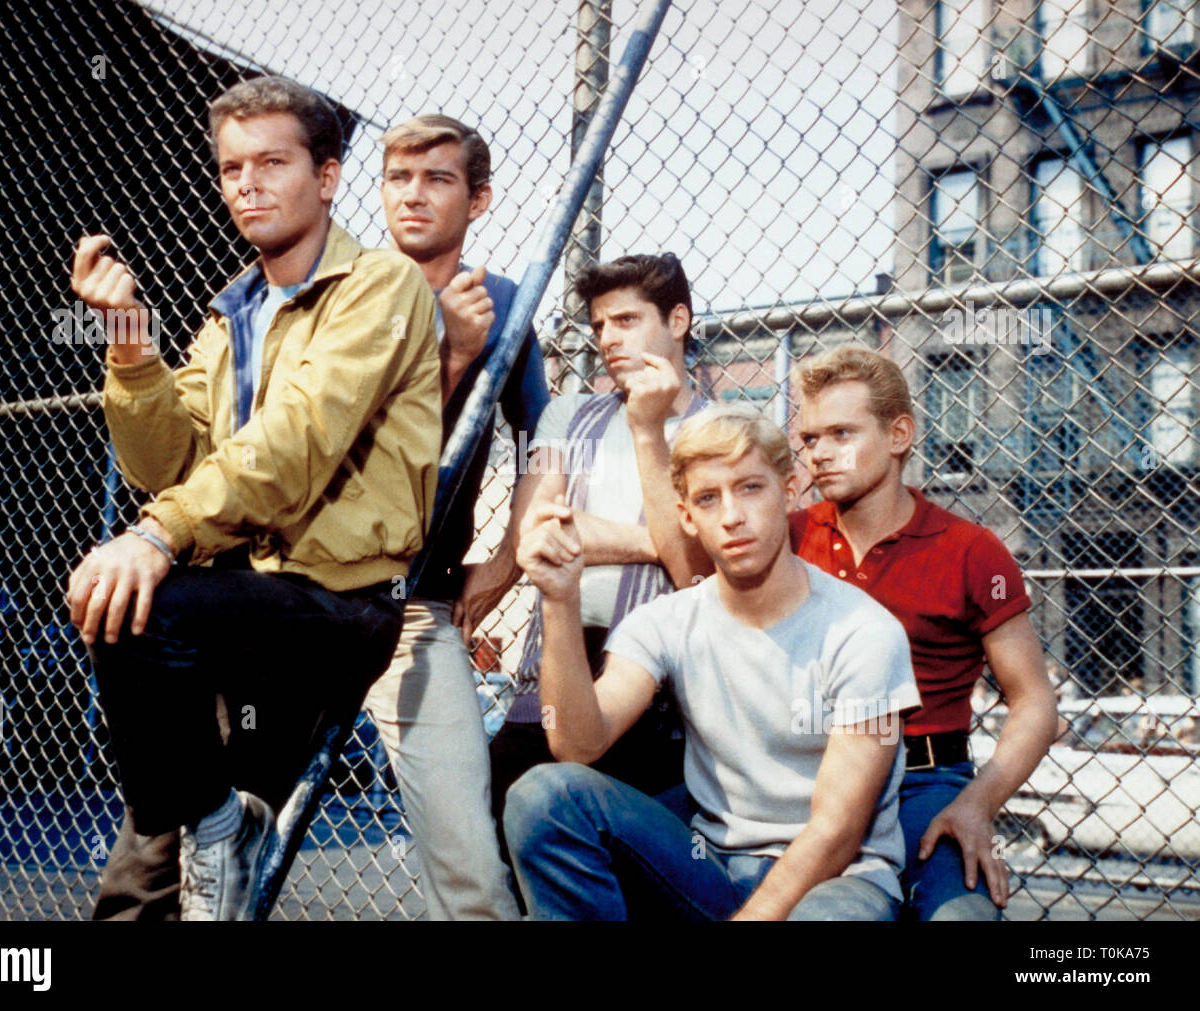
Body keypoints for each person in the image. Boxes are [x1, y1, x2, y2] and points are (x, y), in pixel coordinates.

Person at [70, 76, 441, 921]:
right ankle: (213, 829)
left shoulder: (380, 285)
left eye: (273, 162)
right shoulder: (232, 309)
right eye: (233, 167)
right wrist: (129, 342)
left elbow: (297, 444)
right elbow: (164, 461)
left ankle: (215, 829)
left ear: (329, 176)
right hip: (239, 603)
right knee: (149, 873)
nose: (248, 183)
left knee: (149, 601)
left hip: (337, 606)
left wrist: (158, 535)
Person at [503, 405, 919, 920]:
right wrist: (559, 601)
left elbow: (837, 833)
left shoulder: (865, 631)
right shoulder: (666, 621)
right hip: (711, 866)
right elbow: (577, 743)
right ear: (686, 518)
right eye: (707, 498)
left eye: (750, 488)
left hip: (837, 881)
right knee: (545, 796)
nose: (731, 516)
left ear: (789, 492)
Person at [791, 344, 1058, 921]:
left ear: (898, 434)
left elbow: (1034, 701)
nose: (820, 454)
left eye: (841, 433)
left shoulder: (969, 550)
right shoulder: (785, 540)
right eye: (810, 439)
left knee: (962, 918)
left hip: (923, 781)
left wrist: (978, 804)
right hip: (803, 775)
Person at [360, 114, 549, 920]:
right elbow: (342, 456)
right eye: (399, 178)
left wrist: (509, 554)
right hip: (302, 594)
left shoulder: (504, 301)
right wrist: (449, 359)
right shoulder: (343, 291)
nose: (413, 195)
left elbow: (549, 446)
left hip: (416, 605)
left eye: (437, 179)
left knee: (469, 863)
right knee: (230, 822)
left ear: (480, 200)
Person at [487, 252, 713, 863]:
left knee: (627, 875)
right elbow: (536, 530)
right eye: (599, 325)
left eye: (626, 320)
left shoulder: (719, 429)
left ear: (678, 320)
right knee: (503, 851)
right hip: (553, 675)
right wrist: (658, 543)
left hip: (660, 697)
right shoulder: (566, 414)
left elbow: (696, 573)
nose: (608, 339)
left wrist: (648, 433)